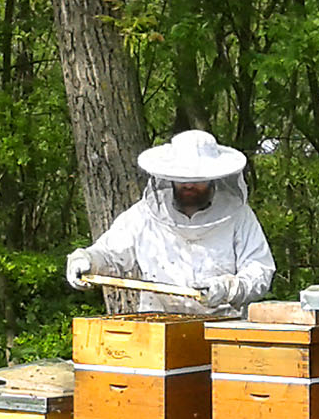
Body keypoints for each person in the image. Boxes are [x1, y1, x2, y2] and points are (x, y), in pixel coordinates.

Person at [65, 130, 275, 315]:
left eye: (198, 179)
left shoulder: (238, 216)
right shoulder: (144, 215)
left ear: (214, 178)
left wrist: (230, 288)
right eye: (182, 178)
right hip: (156, 325)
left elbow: (260, 269)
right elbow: (109, 254)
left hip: (223, 328)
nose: (189, 185)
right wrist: (86, 259)